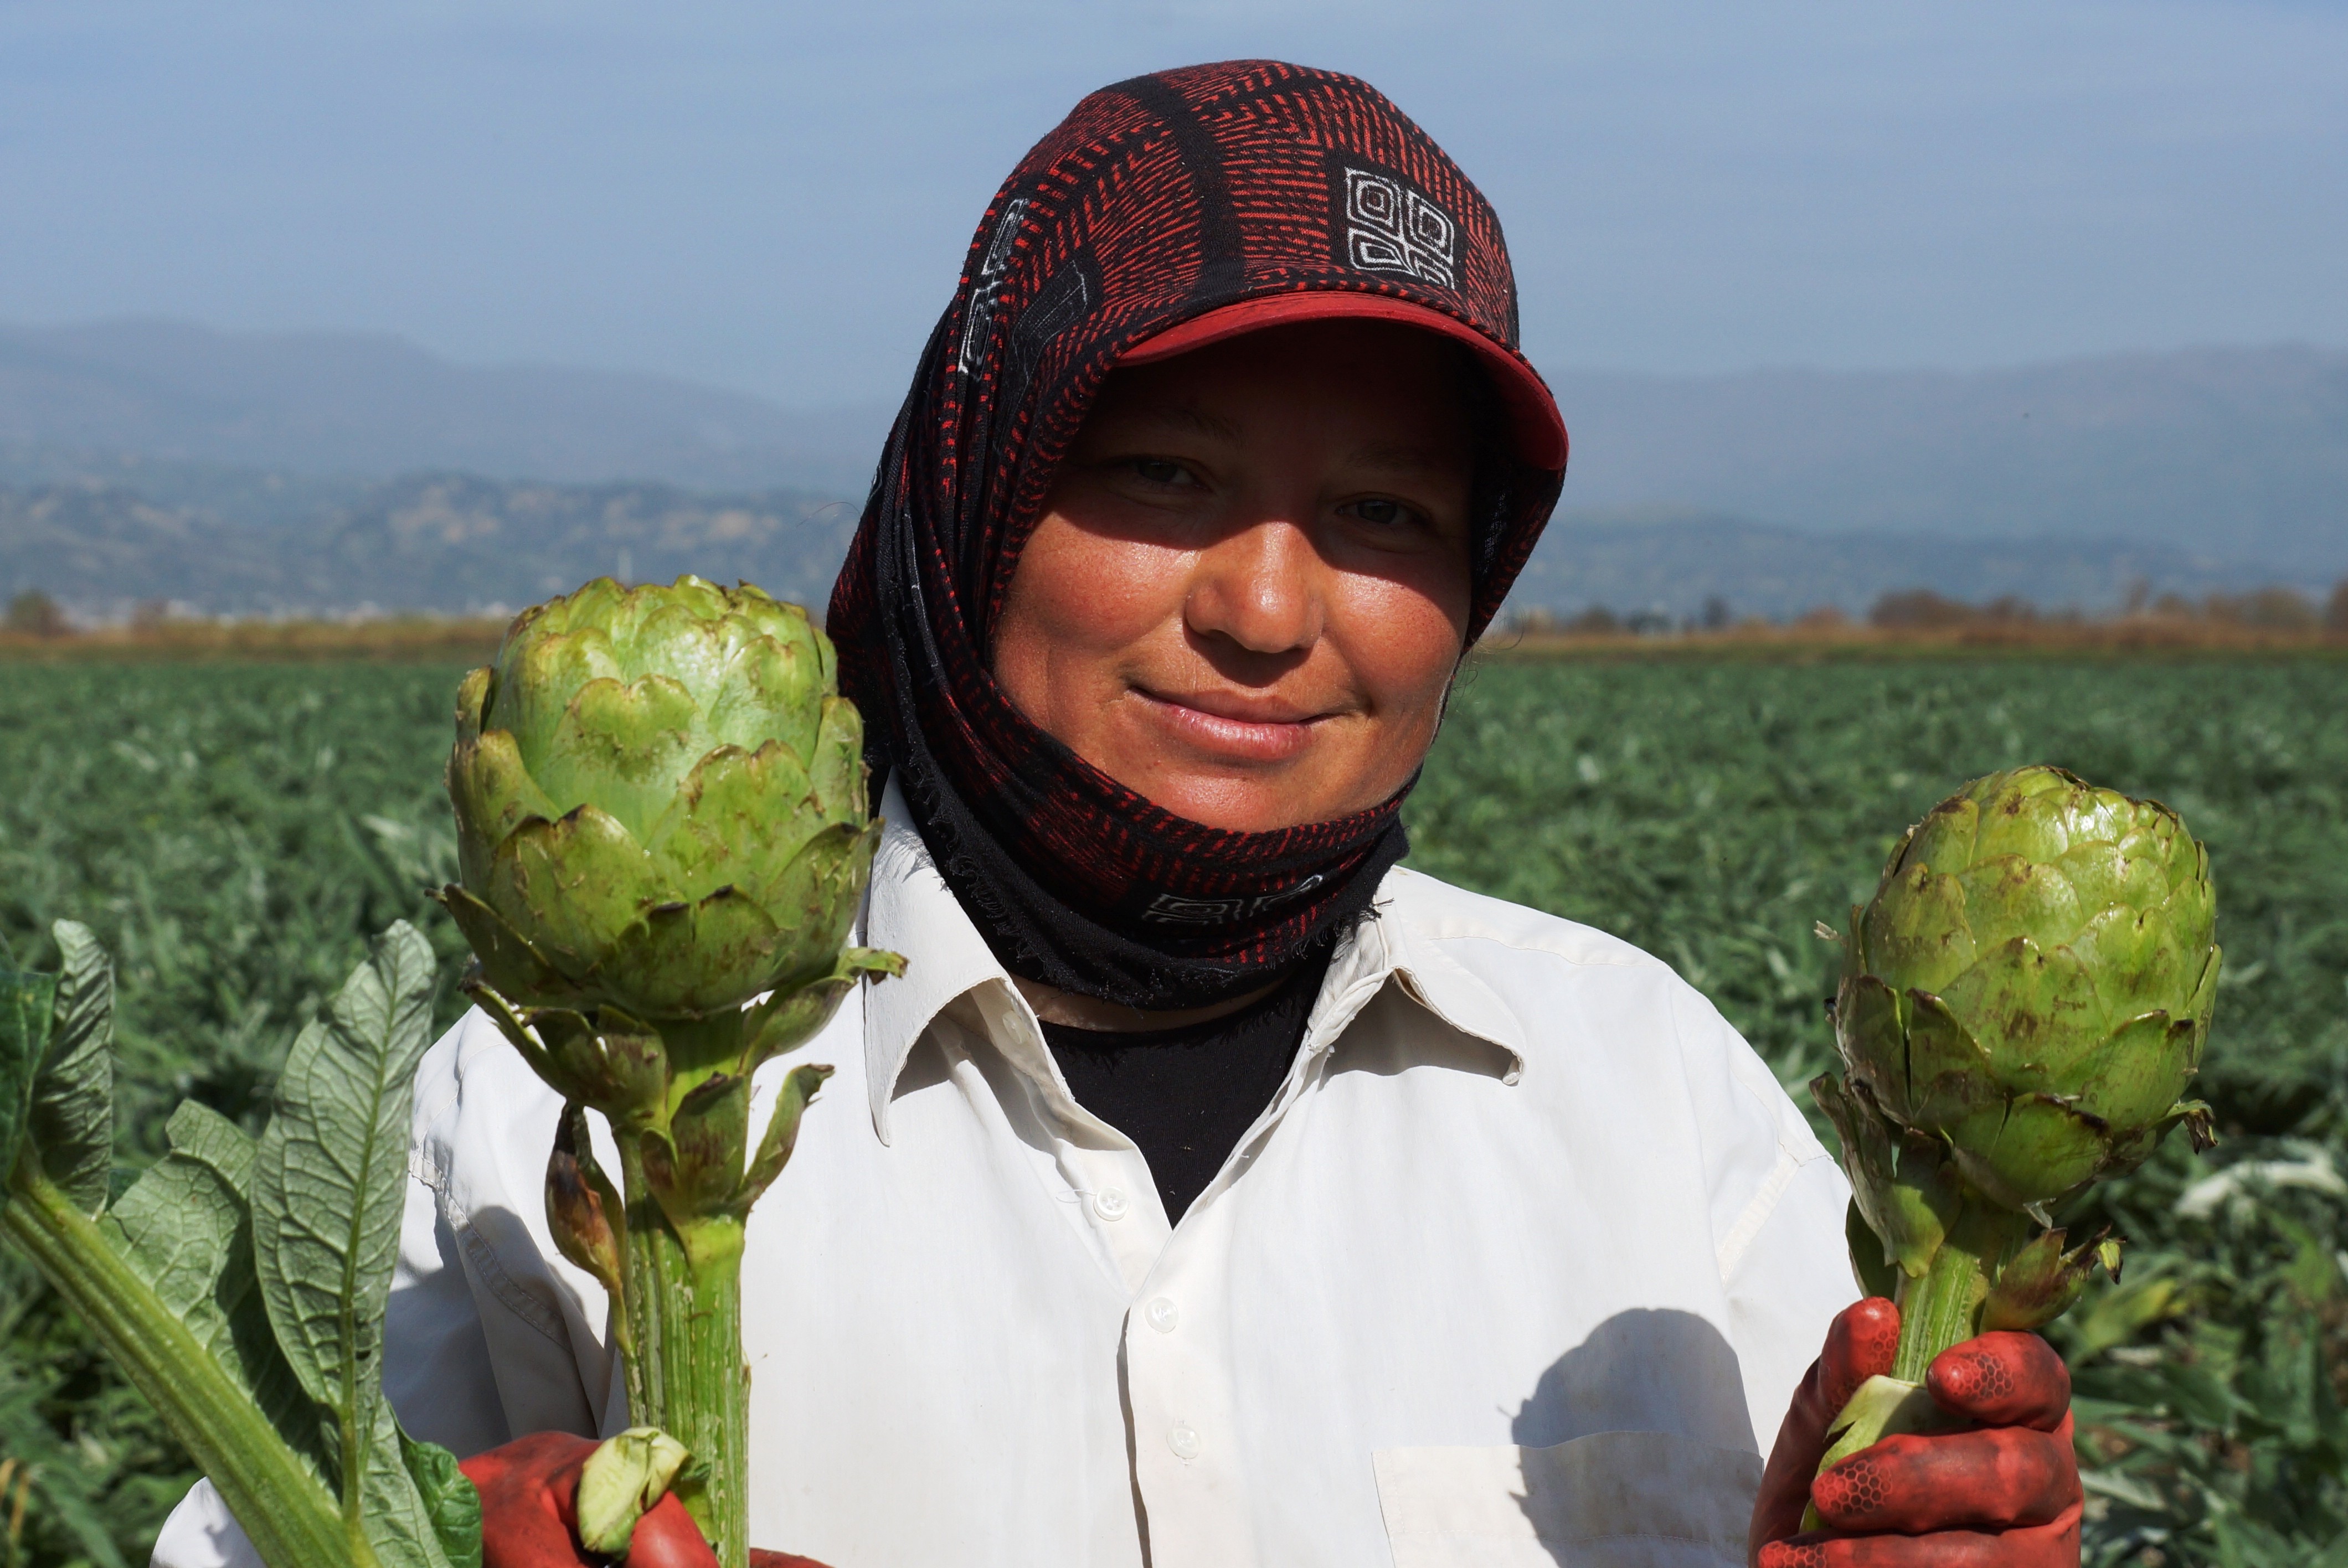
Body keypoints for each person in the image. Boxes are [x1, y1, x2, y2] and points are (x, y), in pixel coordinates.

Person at [155, 61, 2081, 1568]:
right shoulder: (513, 1124)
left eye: (1389, 516)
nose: (1264, 609)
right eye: (1161, 475)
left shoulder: (1649, 1097)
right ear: (975, 493)